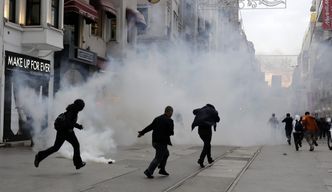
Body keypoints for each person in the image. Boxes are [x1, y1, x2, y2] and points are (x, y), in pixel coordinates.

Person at [34, 99, 86, 169]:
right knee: (76, 145)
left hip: (62, 131)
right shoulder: (73, 112)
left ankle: (40, 156)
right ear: (79, 107)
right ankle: (78, 163)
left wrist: (78, 126)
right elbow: (68, 122)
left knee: (56, 148)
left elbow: (70, 122)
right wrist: (73, 128)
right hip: (67, 132)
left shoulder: (72, 110)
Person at [138, 106, 174, 179]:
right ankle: (148, 171)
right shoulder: (169, 121)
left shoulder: (157, 118)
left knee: (166, 154)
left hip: (155, 142)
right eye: (171, 112)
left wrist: (142, 132)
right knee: (158, 158)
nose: (172, 114)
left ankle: (162, 169)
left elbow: (150, 127)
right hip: (162, 143)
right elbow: (171, 133)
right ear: (169, 112)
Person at [192, 104, 220, 168]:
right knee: (207, 145)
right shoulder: (213, 111)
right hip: (207, 130)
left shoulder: (202, 109)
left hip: (200, 130)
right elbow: (218, 120)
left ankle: (209, 159)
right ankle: (201, 160)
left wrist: (202, 113)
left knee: (207, 144)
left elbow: (194, 111)